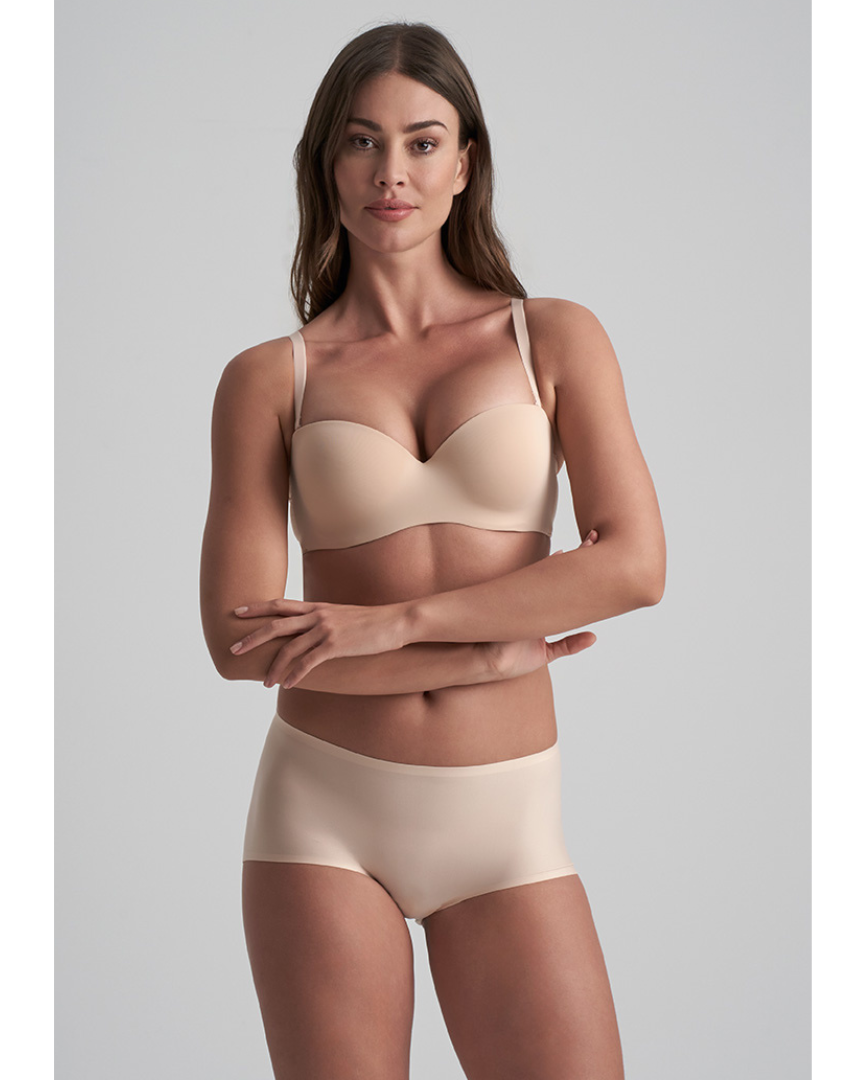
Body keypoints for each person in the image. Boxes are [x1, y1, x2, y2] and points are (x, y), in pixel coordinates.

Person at [199, 20, 665, 1080]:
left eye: (421, 141)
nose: (390, 173)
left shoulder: (554, 338)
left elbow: (635, 563)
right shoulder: (270, 379)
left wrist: (401, 626)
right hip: (321, 817)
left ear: (465, 164)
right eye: (361, 142)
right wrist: (485, 654)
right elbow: (238, 644)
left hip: (506, 824)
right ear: (326, 165)